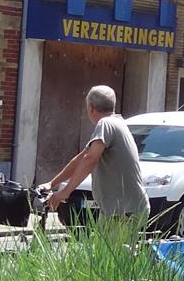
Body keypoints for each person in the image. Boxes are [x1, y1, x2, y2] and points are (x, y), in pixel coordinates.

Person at [40, 85, 149, 225]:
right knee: (101, 247)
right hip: (119, 210)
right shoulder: (116, 123)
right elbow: (82, 158)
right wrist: (51, 183)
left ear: (90, 108)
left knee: (111, 247)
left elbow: (90, 160)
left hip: (124, 211)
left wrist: (65, 192)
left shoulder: (106, 123)